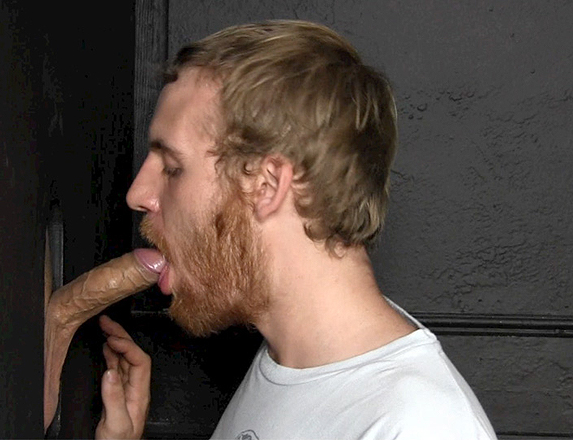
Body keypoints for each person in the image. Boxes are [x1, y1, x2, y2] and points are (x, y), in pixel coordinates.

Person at [89, 20, 498, 439]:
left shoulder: (420, 426)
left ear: (267, 185)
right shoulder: (287, 361)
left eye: (173, 167)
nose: (138, 195)